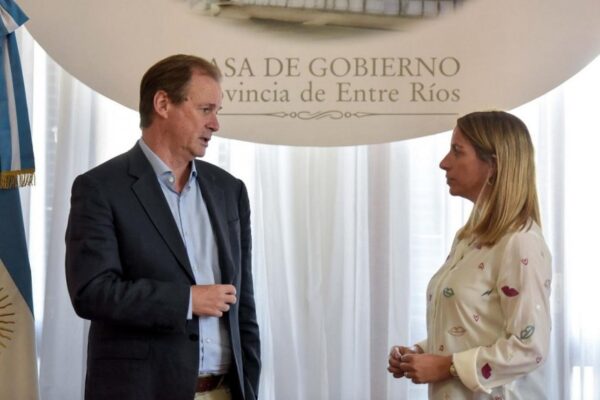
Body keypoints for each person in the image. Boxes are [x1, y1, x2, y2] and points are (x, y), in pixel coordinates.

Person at [65, 54, 261, 400]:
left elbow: (243, 306)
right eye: (205, 109)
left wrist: (249, 388)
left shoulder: (230, 191)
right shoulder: (100, 188)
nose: (215, 124)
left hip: (226, 391)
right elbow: (92, 292)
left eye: (217, 111)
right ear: (163, 104)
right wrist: (186, 300)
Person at [387, 111, 552, 399]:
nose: (444, 162)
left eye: (457, 151)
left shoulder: (520, 242)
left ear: (493, 165)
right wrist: (420, 352)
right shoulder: (468, 238)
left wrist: (446, 367)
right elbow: (471, 328)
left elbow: (530, 348)